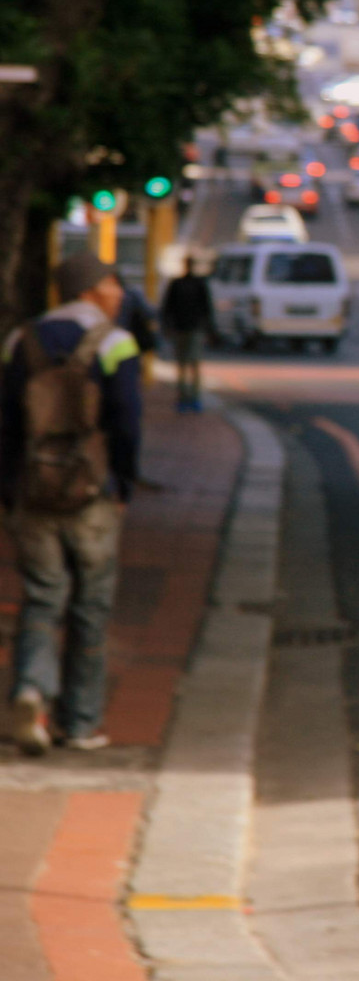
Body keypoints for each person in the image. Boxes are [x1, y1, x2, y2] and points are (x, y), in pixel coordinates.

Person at [3, 253, 142, 755]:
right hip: (91, 493)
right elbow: (126, 423)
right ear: (91, 289)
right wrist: (123, 483)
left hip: (34, 489)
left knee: (42, 596)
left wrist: (10, 487)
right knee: (91, 606)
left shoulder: (23, 340)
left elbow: (8, 424)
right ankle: (80, 723)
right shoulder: (114, 342)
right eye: (112, 282)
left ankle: (30, 690)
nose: (120, 292)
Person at [159, 254, 213, 411]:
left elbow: (167, 307)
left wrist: (167, 326)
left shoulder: (182, 283)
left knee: (187, 364)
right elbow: (206, 309)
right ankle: (188, 397)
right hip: (187, 328)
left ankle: (189, 397)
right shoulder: (193, 283)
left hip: (187, 328)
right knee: (189, 364)